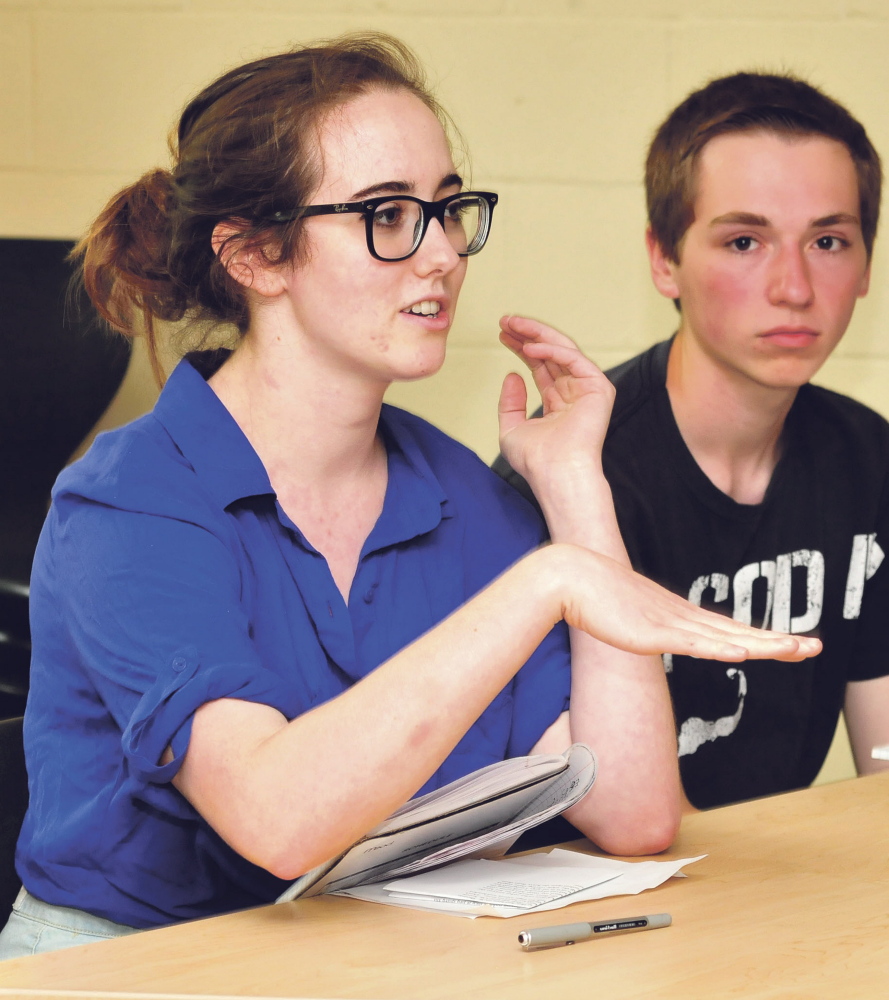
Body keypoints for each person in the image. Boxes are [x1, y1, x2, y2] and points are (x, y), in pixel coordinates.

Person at [0, 41, 817, 959]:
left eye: (448, 208)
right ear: (256, 256)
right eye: (390, 215)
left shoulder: (460, 493)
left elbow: (630, 814)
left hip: (357, 951)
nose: (442, 255)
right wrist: (544, 581)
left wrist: (577, 494)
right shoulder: (132, 502)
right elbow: (277, 817)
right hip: (124, 963)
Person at [495, 71, 889, 811]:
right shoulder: (569, 473)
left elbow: (884, 759)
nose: (794, 287)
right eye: (744, 241)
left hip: (763, 892)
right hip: (591, 893)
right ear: (662, 259)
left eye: (828, 240)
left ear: (866, 263)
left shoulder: (865, 459)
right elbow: (596, 811)